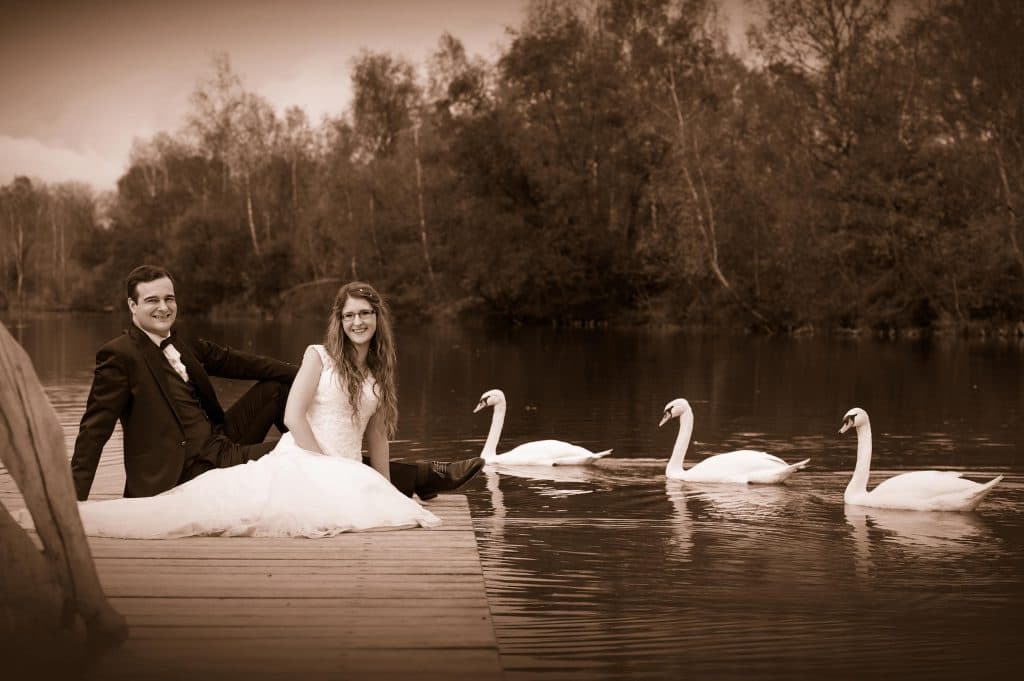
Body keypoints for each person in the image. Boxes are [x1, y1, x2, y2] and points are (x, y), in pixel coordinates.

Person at [53, 280, 454, 537]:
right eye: (152, 300)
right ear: (132, 306)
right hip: (181, 467)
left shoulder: (184, 338)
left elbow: (239, 362)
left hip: (219, 444)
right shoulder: (119, 355)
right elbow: (94, 431)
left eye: (170, 298)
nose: (163, 307)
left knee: (279, 390)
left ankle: (382, 475)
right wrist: (75, 498)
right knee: (293, 461)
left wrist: (317, 374)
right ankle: (415, 476)